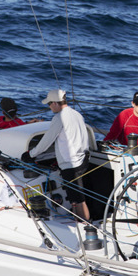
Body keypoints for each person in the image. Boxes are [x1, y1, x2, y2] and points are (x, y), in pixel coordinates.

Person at [27, 90, 91, 221]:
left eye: (49, 104)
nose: (49, 107)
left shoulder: (59, 118)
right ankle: (79, 222)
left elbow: (47, 141)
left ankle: (85, 226)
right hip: (83, 160)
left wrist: (31, 154)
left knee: (78, 199)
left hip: (71, 165)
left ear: (55, 103)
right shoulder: (77, 114)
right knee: (76, 198)